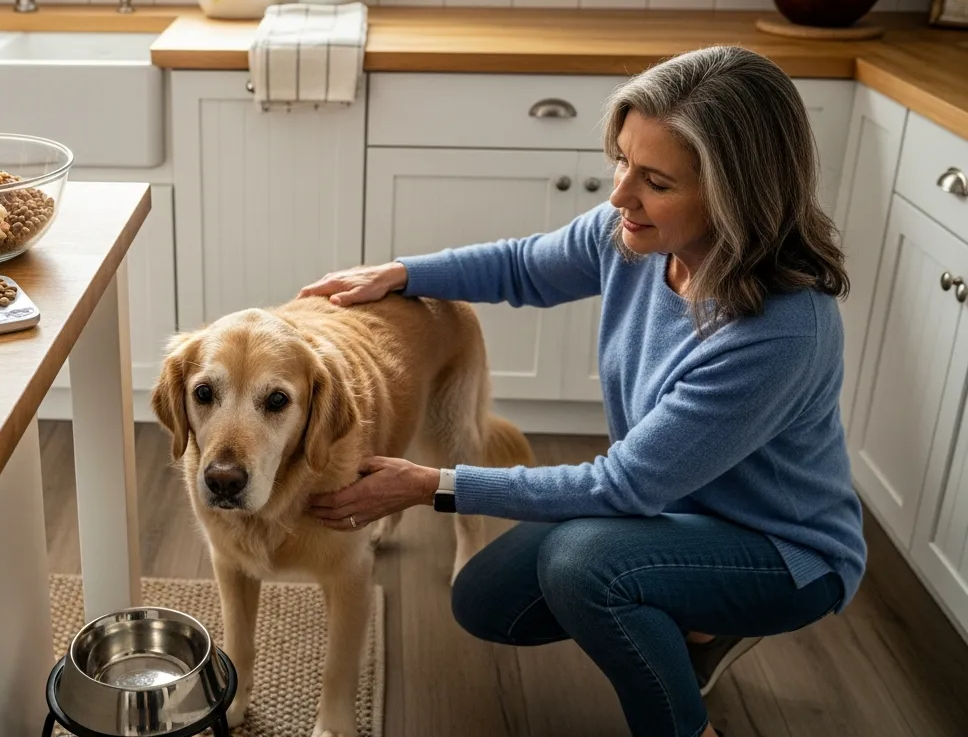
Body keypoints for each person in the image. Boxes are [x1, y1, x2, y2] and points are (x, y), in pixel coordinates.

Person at [298, 45, 867, 737]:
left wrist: (430, 485)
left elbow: (621, 489)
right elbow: (523, 267)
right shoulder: (632, 235)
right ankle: (694, 620)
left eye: (656, 180)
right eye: (622, 161)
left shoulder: (778, 332)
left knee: (583, 565)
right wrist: (400, 273)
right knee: (485, 603)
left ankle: (687, 725)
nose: (621, 195)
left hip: (780, 550)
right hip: (669, 511)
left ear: (734, 195)